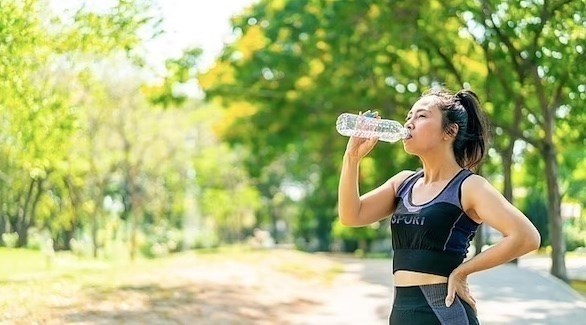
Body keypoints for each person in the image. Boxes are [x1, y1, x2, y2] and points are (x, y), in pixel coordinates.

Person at [337, 87, 541, 325]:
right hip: (401, 315)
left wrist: (463, 271)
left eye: (421, 116)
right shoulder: (403, 183)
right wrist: (352, 159)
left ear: (450, 131)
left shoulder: (469, 186)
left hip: (445, 314)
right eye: (408, 117)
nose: (410, 123)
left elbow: (527, 237)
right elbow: (351, 215)